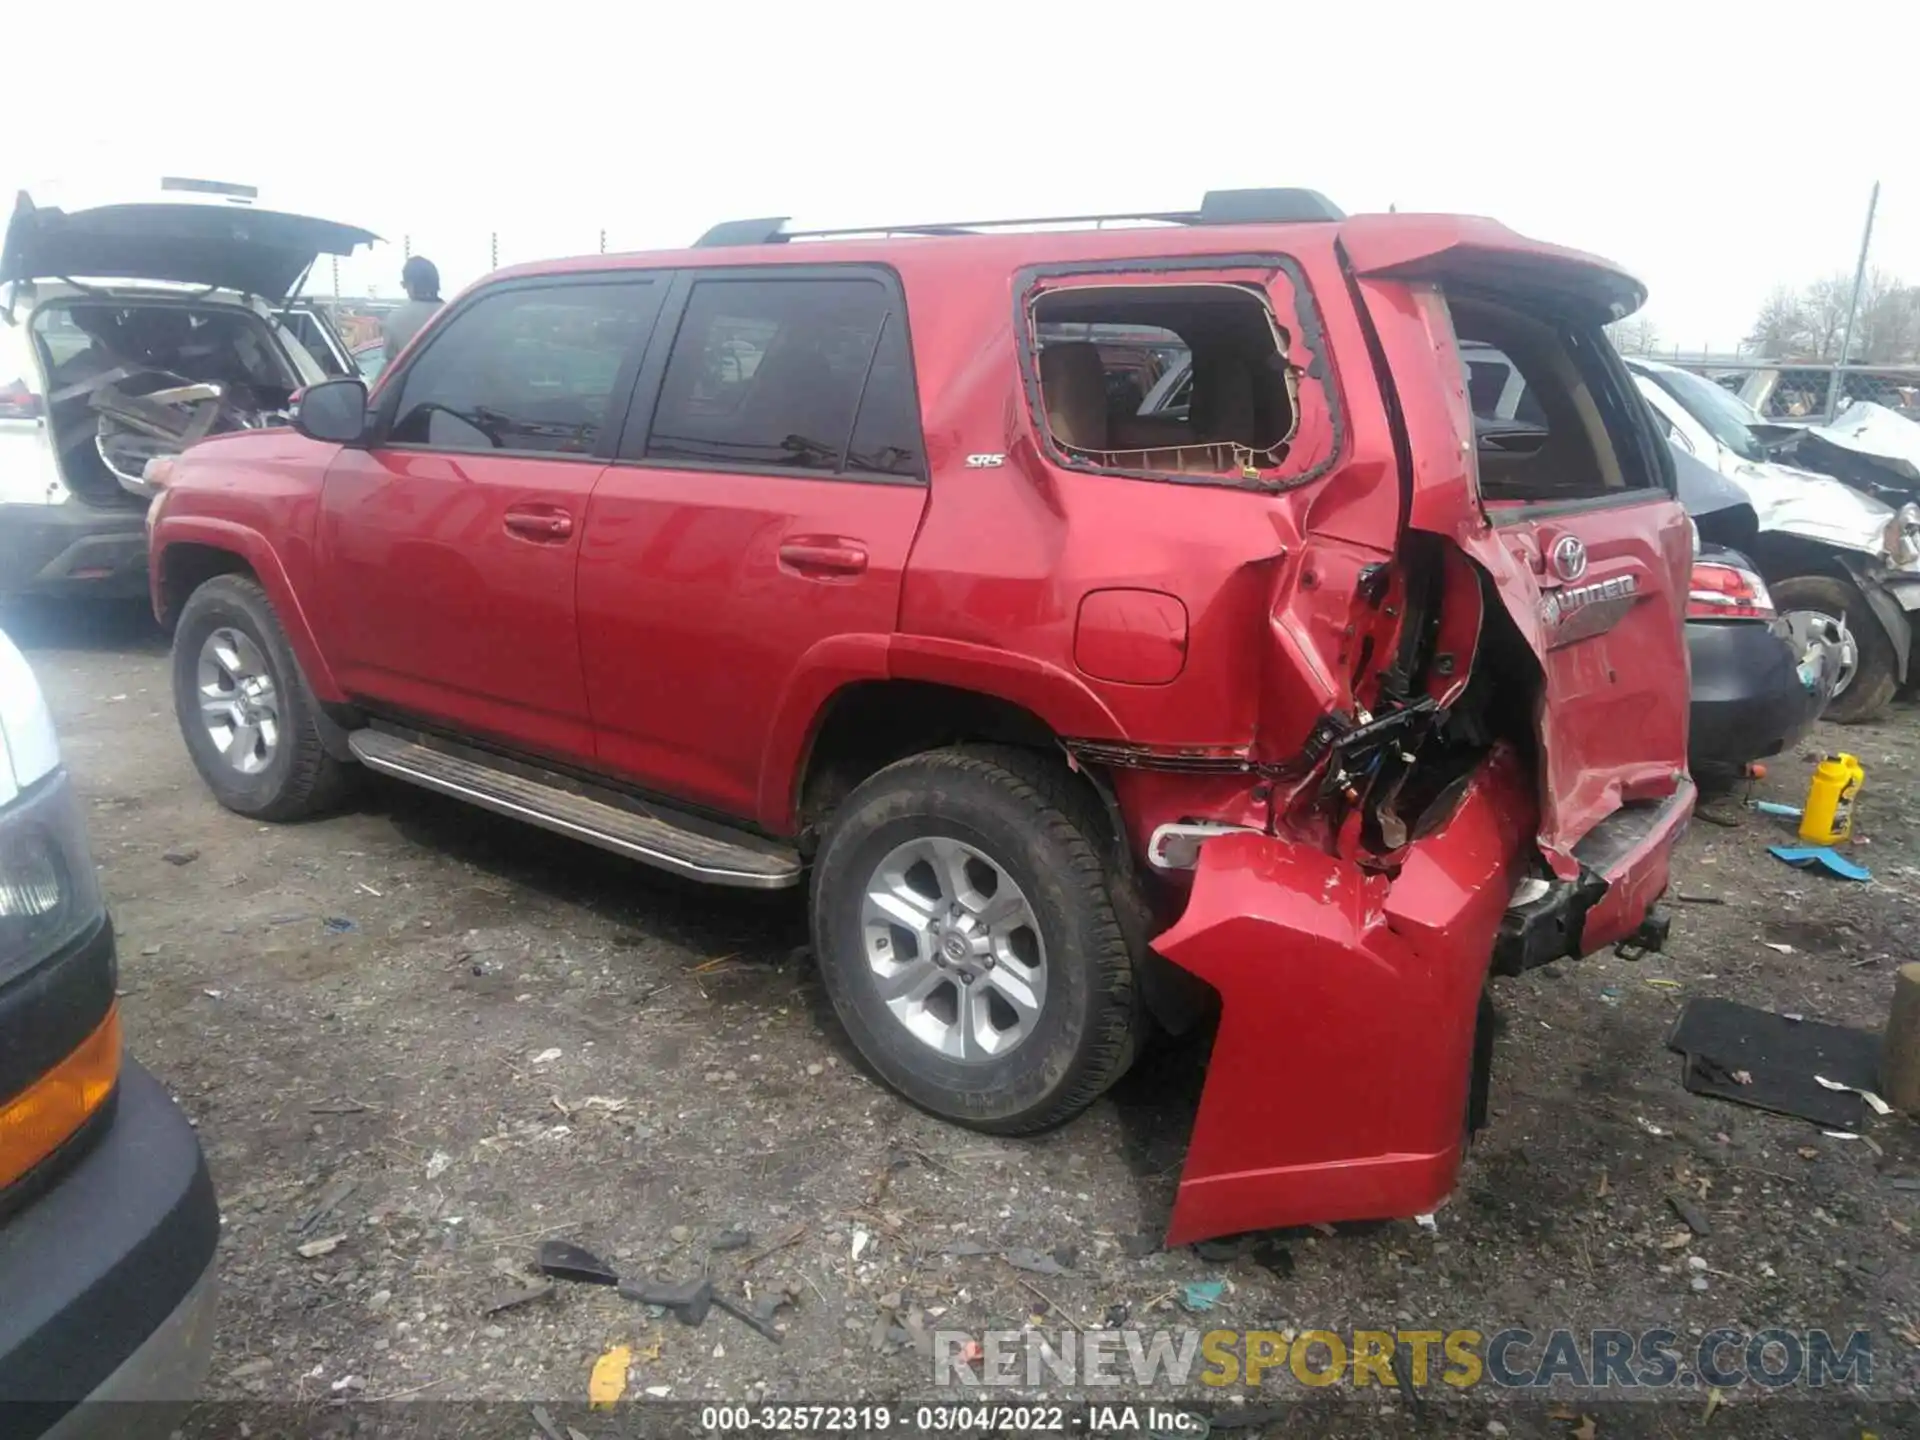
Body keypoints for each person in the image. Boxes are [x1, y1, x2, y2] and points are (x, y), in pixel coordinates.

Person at [381, 257, 444, 363]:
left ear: (410, 284)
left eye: (404, 284)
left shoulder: (395, 319)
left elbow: (390, 362)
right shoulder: (455, 314)